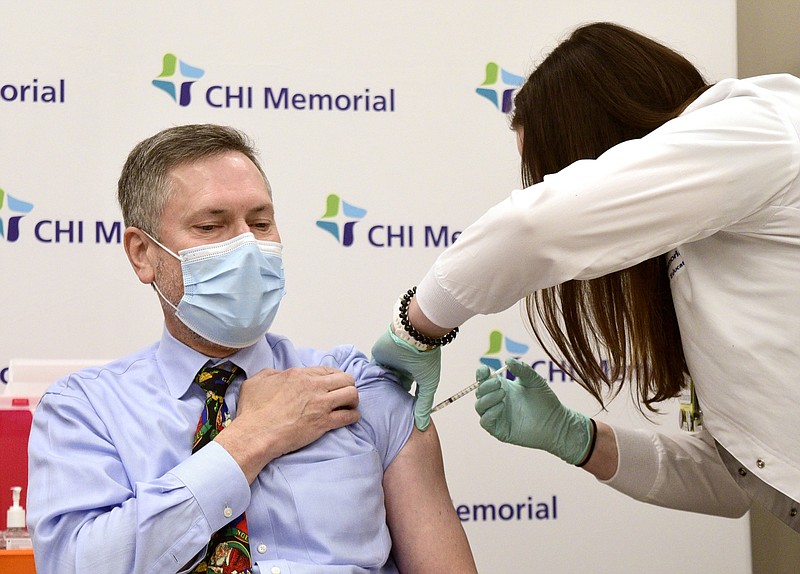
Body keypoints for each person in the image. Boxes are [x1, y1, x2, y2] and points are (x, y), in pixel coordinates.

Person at [372, 21, 800, 532]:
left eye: (559, 170)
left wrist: (417, 328)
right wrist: (577, 439)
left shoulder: (757, 128)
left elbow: (531, 228)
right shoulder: (706, 240)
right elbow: (736, 478)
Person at [27, 124, 478, 573]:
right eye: (210, 226)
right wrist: (250, 439)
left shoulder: (357, 388)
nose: (247, 246)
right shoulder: (84, 410)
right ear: (142, 253)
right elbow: (73, 564)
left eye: (261, 223)